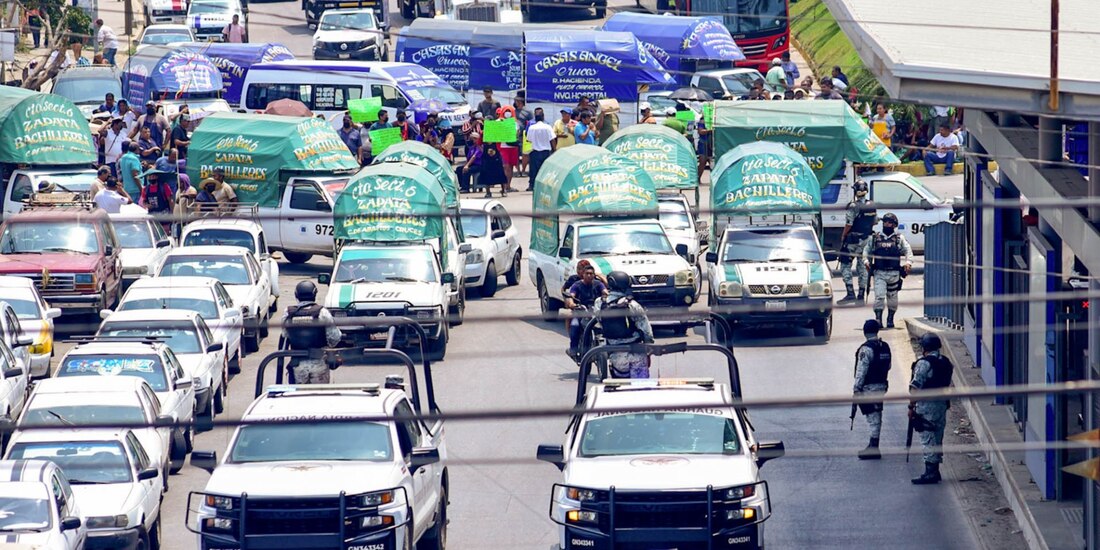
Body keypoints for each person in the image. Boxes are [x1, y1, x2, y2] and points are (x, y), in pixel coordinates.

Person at [909, 333, 953, 484]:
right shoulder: (946, 362)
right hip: (941, 404)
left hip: (927, 406)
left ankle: (930, 473)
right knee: (937, 437)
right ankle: (935, 470)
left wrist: (911, 405)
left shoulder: (924, 363)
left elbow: (915, 387)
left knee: (928, 438)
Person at [595, 271, 654, 378]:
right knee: (642, 388)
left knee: (621, 389)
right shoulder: (633, 304)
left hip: (616, 355)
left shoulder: (599, 303)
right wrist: (649, 348)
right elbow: (646, 330)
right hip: (637, 354)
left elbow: (599, 321)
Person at [283, 281, 343, 384]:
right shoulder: (322, 312)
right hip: (320, 364)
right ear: (314, 293)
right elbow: (335, 337)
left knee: (298, 397)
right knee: (320, 396)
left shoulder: (288, 313)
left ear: (296, 295)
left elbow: (285, 334)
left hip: (298, 365)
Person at [862, 212, 914, 328]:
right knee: (879, 297)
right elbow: (866, 251)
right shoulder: (875, 238)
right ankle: (878, 319)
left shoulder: (899, 239)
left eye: (890, 222)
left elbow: (908, 251)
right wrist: (865, 262)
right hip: (879, 273)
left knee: (892, 298)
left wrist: (908, 263)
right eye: (885, 222)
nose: (887, 224)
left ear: (894, 225)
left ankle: (890, 319)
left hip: (894, 273)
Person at [853, 319, 892, 460]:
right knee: (876, 414)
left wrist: (856, 389)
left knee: (873, 417)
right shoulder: (885, 347)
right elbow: (888, 366)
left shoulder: (866, 349)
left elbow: (861, 371)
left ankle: (874, 447)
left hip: (869, 388)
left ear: (864, 332)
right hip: (881, 386)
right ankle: (873, 445)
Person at [838, 179, 875, 305]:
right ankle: (861, 295)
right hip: (867, 240)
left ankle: (850, 293)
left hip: (853, 241)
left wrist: (843, 236)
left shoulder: (853, 206)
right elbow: (874, 221)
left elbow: (849, 224)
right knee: (862, 267)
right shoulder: (872, 205)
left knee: (844, 265)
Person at [564, 260, 608, 360]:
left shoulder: (598, 284)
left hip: (595, 311)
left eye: (591, 274)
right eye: (587, 273)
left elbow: (605, 291)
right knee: (574, 326)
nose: (589, 275)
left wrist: (608, 298)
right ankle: (573, 349)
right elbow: (571, 296)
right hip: (580, 312)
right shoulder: (577, 285)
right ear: (583, 274)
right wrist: (572, 304)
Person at [526, 109, 553, 190]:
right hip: (546, 152)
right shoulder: (548, 127)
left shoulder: (531, 128)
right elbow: (552, 139)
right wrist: (554, 150)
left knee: (534, 170)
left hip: (535, 151)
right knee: (545, 170)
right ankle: (546, 185)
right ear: (543, 117)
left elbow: (529, 139)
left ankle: (532, 185)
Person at [513, 97, 533, 176]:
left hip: (524, 136)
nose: (515, 103)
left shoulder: (528, 112)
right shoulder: (513, 111)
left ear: (520, 102)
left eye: (516, 101)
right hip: (514, 136)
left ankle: (524, 170)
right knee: (515, 154)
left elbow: (531, 122)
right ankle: (518, 171)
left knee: (525, 153)